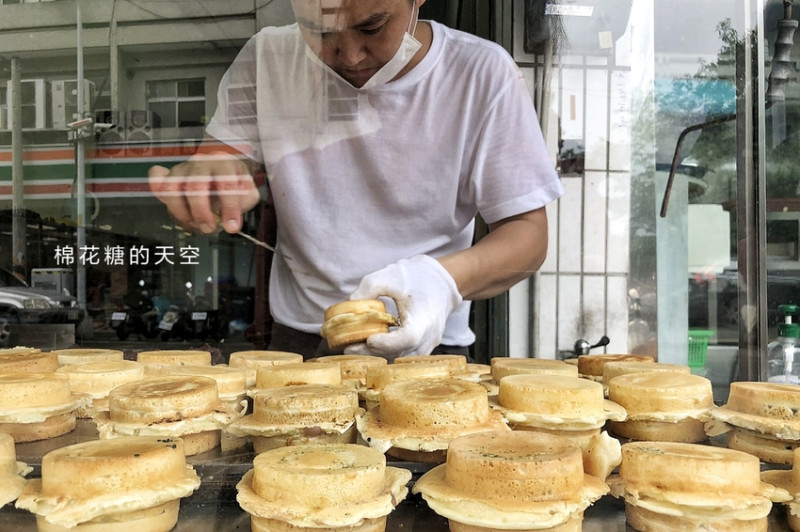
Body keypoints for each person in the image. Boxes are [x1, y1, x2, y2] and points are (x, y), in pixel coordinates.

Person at [148, 0, 563, 360]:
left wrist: (442, 281)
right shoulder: (268, 58)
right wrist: (204, 190)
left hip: (428, 346)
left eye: (372, 26)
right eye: (318, 30)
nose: (348, 55)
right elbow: (221, 165)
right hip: (299, 345)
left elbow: (527, 234)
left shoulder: (480, 73)